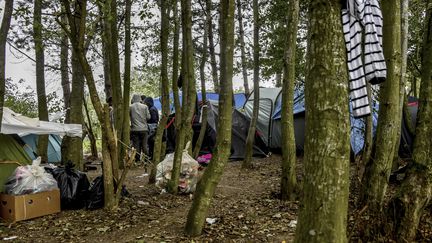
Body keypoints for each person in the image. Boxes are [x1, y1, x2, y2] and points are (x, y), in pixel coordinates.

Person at [130, 94, 150, 162]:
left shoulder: (130, 107)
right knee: (144, 145)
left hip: (134, 129)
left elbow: (128, 117)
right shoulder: (145, 107)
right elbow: (148, 117)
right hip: (144, 129)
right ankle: (147, 159)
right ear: (140, 99)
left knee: (136, 145)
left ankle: (137, 160)